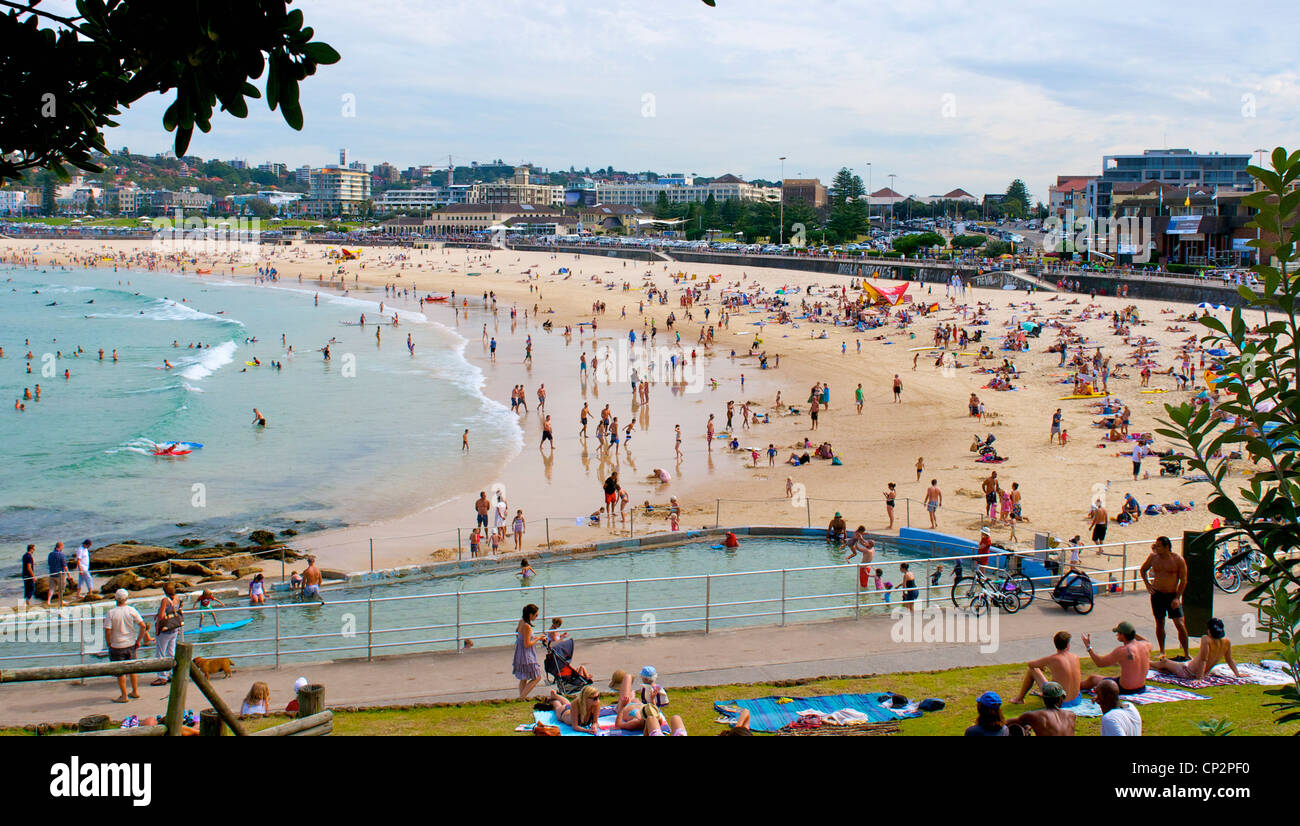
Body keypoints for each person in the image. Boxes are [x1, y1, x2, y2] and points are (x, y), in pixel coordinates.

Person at [1139, 536, 1188, 658]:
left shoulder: (1177, 559)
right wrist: (1147, 584)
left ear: (1167, 547)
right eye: (1156, 545)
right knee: (1160, 622)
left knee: (1180, 624)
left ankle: (1186, 653)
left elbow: (1183, 580)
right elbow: (1143, 569)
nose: (1156, 548)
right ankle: (1162, 651)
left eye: (1159, 546)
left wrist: (1177, 598)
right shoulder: (1153, 557)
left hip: (1172, 595)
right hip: (1157, 594)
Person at [1010, 631, 1082, 706]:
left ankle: (1019, 699)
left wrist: (1040, 666)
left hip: (1059, 703)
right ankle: (1046, 694)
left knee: (1032, 670)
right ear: (1068, 645)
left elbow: (1030, 664)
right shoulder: (1075, 657)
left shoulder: (1052, 659)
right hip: (1076, 700)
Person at [104, 588, 152, 703]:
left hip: (117, 645)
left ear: (116, 599)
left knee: (120, 672)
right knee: (132, 669)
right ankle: (135, 691)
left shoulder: (111, 613)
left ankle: (124, 695)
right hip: (130, 643)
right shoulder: (131, 610)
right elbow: (143, 625)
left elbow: (107, 630)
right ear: (126, 599)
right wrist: (138, 640)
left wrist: (108, 643)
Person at [1155, 617, 1239, 680]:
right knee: (1167, 665)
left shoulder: (1206, 639)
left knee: (1165, 662)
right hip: (1201, 671)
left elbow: (1203, 660)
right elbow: (1229, 660)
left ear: (1209, 631)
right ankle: (1156, 666)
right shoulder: (1227, 641)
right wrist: (1237, 674)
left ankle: (1148, 663)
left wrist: (1199, 678)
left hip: (1188, 672)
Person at [1079, 621, 1151, 695]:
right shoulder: (1146, 645)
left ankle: (1074, 687)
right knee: (1118, 677)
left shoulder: (1122, 651)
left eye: (1118, 633)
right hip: (1141, 687)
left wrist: (1088, 647)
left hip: (1125, 689)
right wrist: (1131, 633)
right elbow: (1145, 641)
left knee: (1092, 679)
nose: (1117, 635)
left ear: (1122, 635)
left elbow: (1099, 663)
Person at [1006, 681, 1076, 736]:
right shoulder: (1071, 715)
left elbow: (1007, 723)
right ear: (1061, 698)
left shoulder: (1034, 716)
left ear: (1043, 698)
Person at [151, 582, 184, 686]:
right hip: (174, 628)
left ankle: (162, 677)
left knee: (160, 653)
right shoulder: (177, 598)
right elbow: (177, 610)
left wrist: (157, 629)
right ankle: (172, 674)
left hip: (165, 630)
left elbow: (161, 616)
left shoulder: (165, 600)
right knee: (171, 652)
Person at [514, 604, 545, 699]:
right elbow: (527, 644)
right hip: (527, 655)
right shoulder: (527, 626)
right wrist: (538, 638)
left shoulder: (521, 621)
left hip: (520, 653)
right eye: (536, 615)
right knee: (537, 677)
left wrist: (533, 638)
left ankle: (521, 697)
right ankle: (521, 697)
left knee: (524, 677)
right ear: (530, 615)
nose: (536, 617)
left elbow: (518, 634)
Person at [45, 541, 69, 608]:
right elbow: (64, 565)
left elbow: (49, 563)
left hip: (52, 573)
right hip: (60, 574)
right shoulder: (61, 554)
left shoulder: (50, 554)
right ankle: (60, 601)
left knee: (51, 588)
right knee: (61, 588)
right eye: (62, 547)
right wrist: (68, 574)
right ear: (60, 547)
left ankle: (48, 601)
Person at [21, 544, 36, 608]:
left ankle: (25, 603)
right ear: (31, 549)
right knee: (32, 588)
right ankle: (27, 600)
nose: (34, 550)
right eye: (34, 549)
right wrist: (33, 576)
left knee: (26, 589)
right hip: (29, 575)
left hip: (24, 574)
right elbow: (29, 567)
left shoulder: (24, 555)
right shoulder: (29, 557)